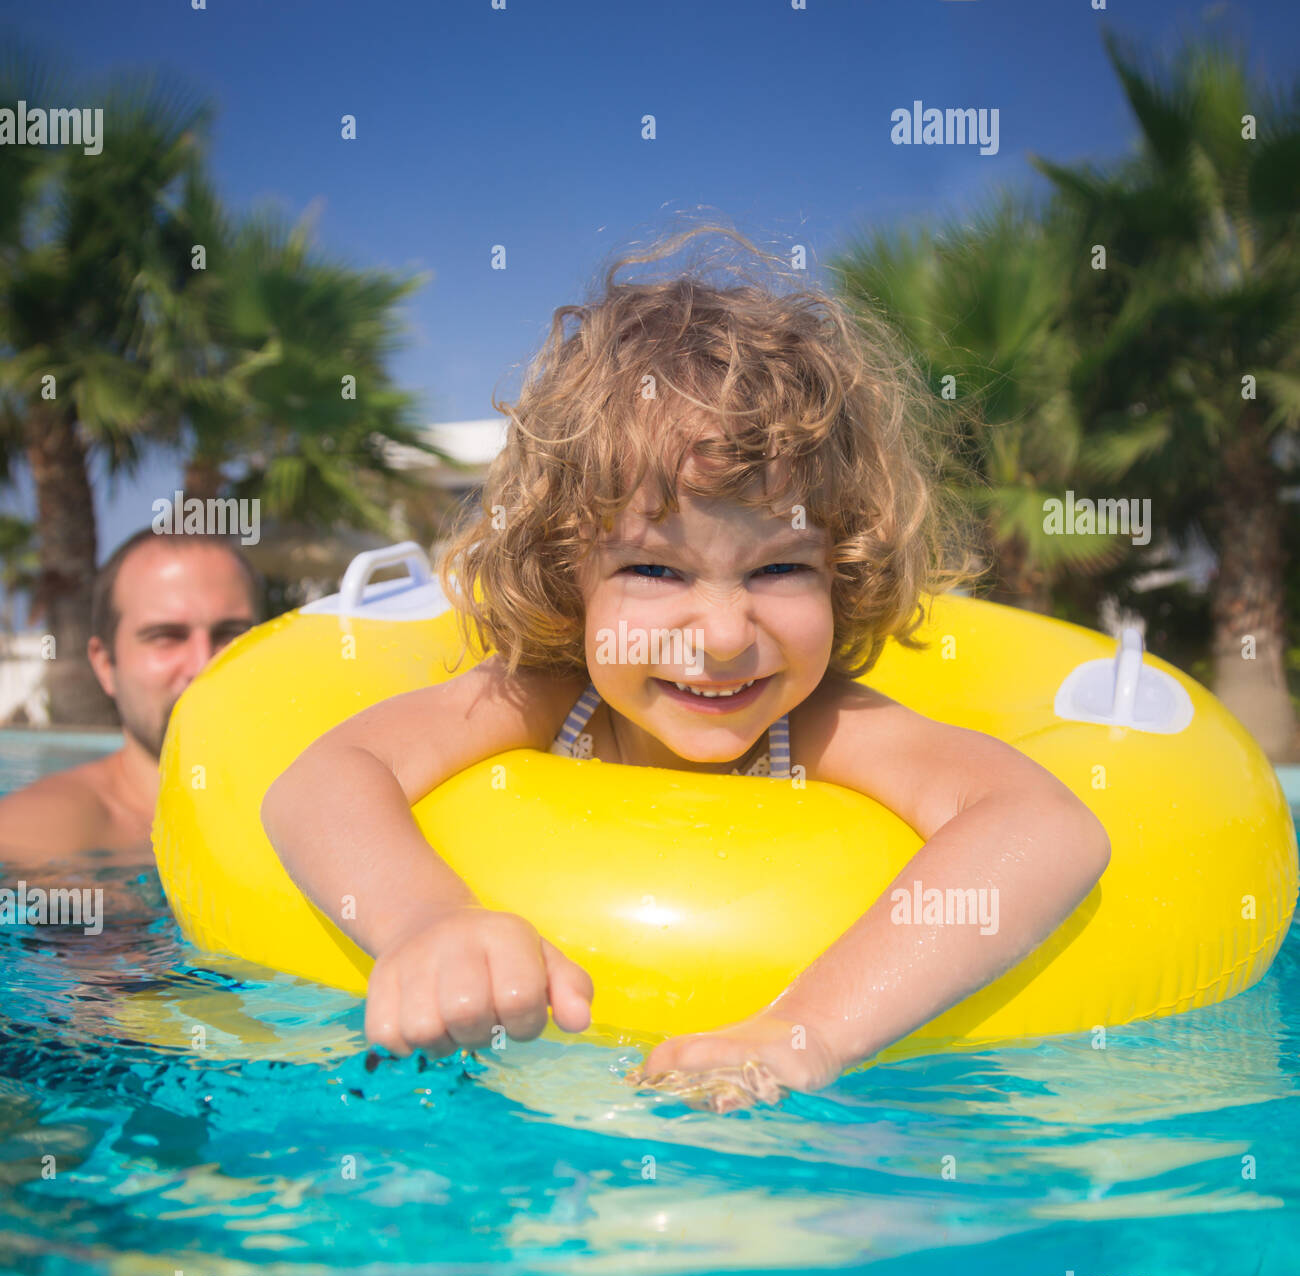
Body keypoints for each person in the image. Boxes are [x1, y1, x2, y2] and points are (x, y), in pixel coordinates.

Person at [261, 228, 1110, 1109]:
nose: (720, 634)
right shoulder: (551, 699)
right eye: (655, 570)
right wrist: (428, 923)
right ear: (568, 575)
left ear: (842, 573)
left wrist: (805, 1030)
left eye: (780, 568)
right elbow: (322, 779)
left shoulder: (819, 724)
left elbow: (1046, 828)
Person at [0, 530, 262, 864]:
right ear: (106, 664)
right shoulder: (36, 836)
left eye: (231, 634)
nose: (203, 665)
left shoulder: (308, 800)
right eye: (166, 636)